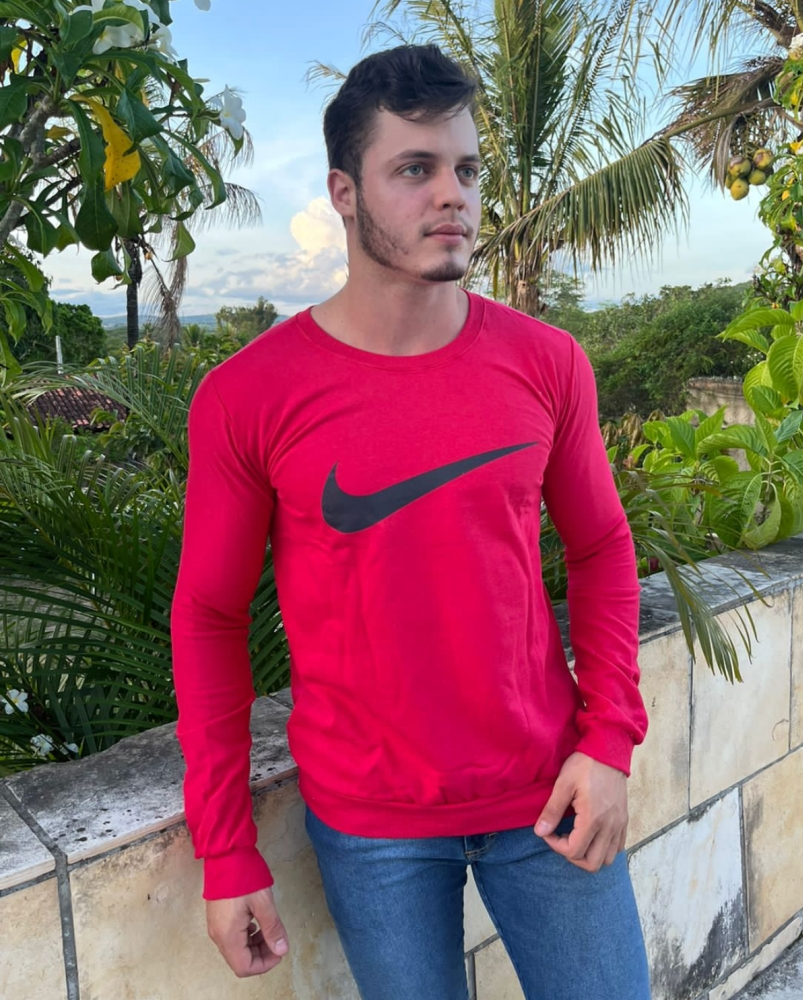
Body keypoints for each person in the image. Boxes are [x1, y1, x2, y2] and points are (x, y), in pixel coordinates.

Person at [171, 43, 651, 1000]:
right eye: (415, 169)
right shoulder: (248, 395)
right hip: (370, 825)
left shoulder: (547, 362)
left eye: (466, 170)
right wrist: (225, 849)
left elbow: (601, 547)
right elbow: (209, 617)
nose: (452, 196)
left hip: (550, 793)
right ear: (343, 194)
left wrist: (608, 740)